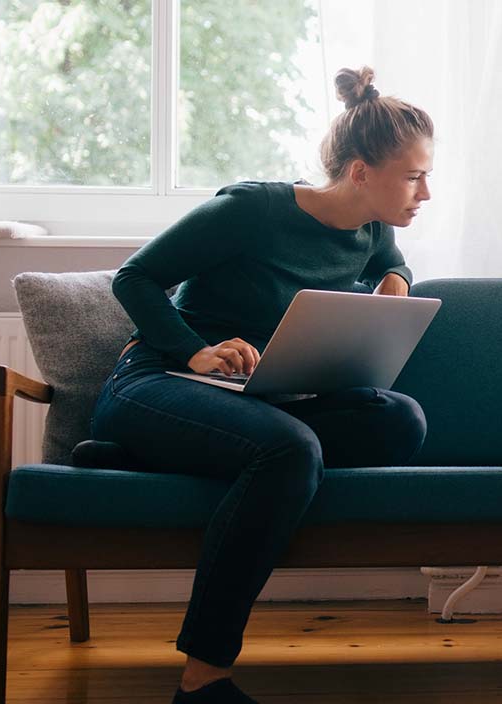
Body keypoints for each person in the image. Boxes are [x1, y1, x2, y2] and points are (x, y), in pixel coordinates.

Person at [83, 67, 433, 704]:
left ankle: (148, 458)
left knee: (400, 420)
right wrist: (197, 352)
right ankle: (203, 677)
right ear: (360, 172)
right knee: (290, 451)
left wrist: (395, 286)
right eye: (413, 176)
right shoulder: (252, 210)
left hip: (256, 399)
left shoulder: (375, 225)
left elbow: (390, 260)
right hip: (156, 381)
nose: (426, 192)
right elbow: (134, 278)